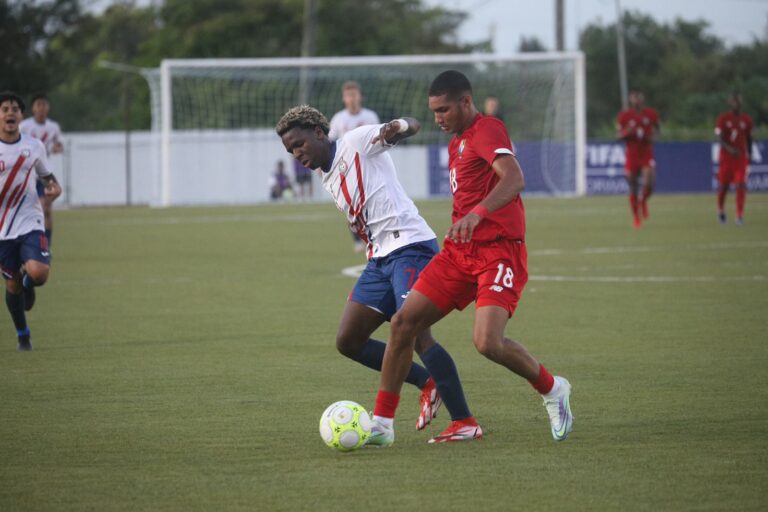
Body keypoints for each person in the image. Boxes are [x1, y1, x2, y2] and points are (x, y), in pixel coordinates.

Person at [371, 71, 574, 447]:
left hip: (498, 251)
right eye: (433, 112)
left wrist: (477, 213)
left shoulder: (487, 129)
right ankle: (382, 424)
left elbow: (514, 179)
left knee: (487, 342)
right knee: (403, 324)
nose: (438, 118)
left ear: (466, 102)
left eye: (444, 109)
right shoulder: (457, 143)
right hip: (459, 253)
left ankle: (553, 388)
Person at [276, 105, 476, 443]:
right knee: (349, 340)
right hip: (380, 260)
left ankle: (464, 421)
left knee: (416, 333)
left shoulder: (356, 141)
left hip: (411, 247)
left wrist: (395, 127)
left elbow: (409, 125)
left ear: (319, 133)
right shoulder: (327, 177)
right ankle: (427, 382)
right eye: (290, 150)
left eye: (299, 144)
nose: (297, 154)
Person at [0, 91, 61, 350]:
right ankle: (23, 334)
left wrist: (54, 188)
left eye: (15, 108)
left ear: (21, 116)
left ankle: (30, 281)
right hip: (3, 229)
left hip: (29, 219)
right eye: (5, 109)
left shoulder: (33, 146)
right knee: (11, 285)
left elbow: (47, 177)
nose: (10, 112)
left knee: (40, 273)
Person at [328, 81, 381, 253]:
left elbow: (379, 140)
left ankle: (375, 238)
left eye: (354, 94)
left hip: (368, 168)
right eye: (348, 95)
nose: (352, 98)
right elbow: (330, 142)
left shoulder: (371, 117)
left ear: (360, 96)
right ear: (344, 98)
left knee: (373, 205)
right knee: (352, 209)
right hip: (347, 170)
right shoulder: (338, 119)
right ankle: (358, 240)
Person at [19, 93, 63, 245]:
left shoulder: (53, 127)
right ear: (33, 108)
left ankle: (46, 246)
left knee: (47, 210)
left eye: (44, 105)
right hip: (27, 175)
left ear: (48, 107)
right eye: (38, 105)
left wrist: (58, 148)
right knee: (28, 212)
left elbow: (58, 145)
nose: (42, 108)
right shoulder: (24, 126)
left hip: (44, 175)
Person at [616, 91, 659, 228]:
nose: (636, 100)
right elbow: (618, 136)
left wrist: (654, 138)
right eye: (633, 97)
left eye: (638, 97)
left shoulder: (651, 114)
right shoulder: (624, 116)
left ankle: (643, 201)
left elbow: (657, 130)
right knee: (633, 186)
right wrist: (625, 133)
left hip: (646, 152)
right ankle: (636, 217)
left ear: (642, 99)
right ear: (630, 100)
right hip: (632, 154)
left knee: (649, 183)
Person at [715, 93, 753, 225]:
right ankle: (720, 210)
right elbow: (719, 138)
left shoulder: (747, 120)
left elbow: (749, 138)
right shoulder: (723, 119)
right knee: (723, 187)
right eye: (734, 101)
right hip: (726, 159)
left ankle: (739, 215)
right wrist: (730, 149)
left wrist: (750, 153)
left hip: (741, 158)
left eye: (738, 101)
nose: (736, 104)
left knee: (741, 185)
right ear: (729, 103)